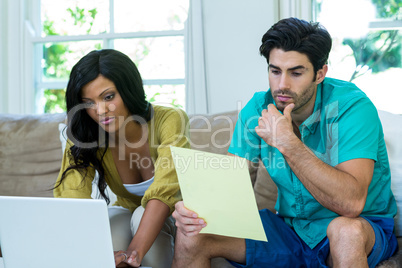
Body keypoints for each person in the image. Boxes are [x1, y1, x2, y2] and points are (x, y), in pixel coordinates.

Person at [172, 17, 397, 268]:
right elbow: (227, 190)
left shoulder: (352, 107)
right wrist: (193, 213)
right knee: (192, 235)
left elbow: (351, 204)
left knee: (345, 232)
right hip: (291, 229)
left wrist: (288, 143)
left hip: (358, 226)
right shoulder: (257, 108)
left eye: (296, 73)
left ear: (320, 73)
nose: (282, 85)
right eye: (275, 70)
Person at [54, 49, 190, 268]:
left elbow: (166, 191)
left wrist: (132, 255)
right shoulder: (85, 133)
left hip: (175, 215)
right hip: (128, 213)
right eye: (88, 103)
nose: (99, 110)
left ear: (128, 90)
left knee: (140, 216)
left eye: (108, 97)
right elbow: (73, 197)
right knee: (114, 223)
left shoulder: (170, 119)